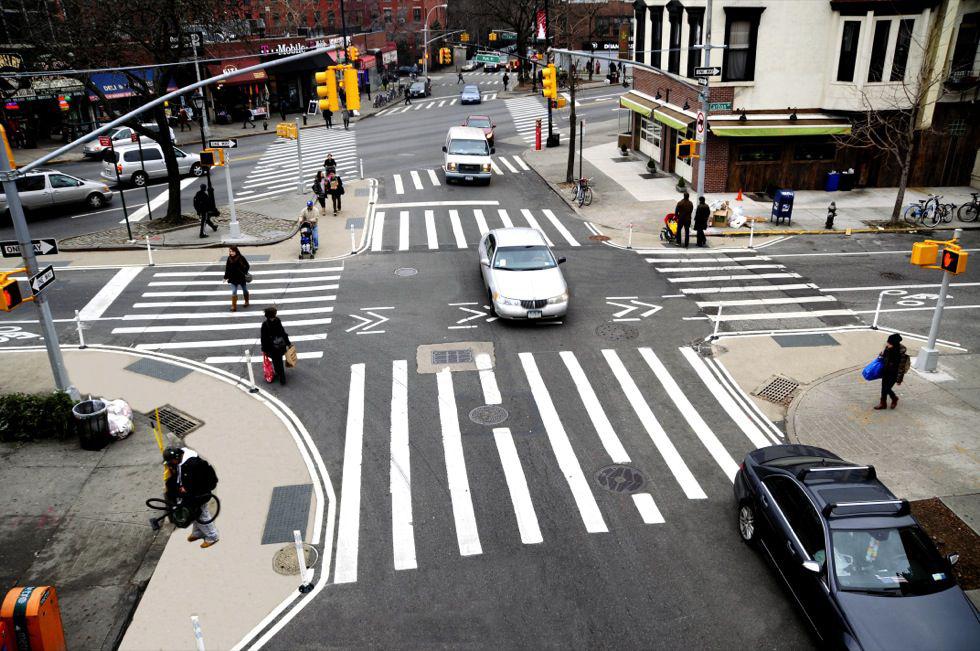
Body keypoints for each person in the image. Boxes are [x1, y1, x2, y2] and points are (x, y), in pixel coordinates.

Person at [163, 446, 219, 548]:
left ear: (177, 457)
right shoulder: (181, 461)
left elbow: (200, 483)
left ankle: (212, 536)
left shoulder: (194, 464)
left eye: (172, 461)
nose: (171, 464)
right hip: (191, 495)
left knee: (202, 515)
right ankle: (198, 533)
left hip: (199, 496)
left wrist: (186, 489)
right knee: (195, 514)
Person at [875, 333, 910, 410]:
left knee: (887, 388)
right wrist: (881, 355)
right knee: (883, 387)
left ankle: (894, 398)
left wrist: (899, 380)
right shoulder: (887, 349)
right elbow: (882, 357)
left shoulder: (901, 354)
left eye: (889, 343)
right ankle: (883, 403)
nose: (887, 344)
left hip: (894, 374)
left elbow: (901, 368)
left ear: (894, 344)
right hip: (885, 371)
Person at [261, 306, 291, 386]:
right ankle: (281, 375)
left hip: (272, 348)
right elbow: (283, 333)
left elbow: (263, 338)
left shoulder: (265, 324)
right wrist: (288, 343)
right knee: (279, 361)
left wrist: (264, 349)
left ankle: (281, 377)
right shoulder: (278, 321)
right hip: (280, 345)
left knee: (277, 362)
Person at [223, 245, 250, 312]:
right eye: (230, 251)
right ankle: (234, 306)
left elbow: (247, 266)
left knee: (245, 290)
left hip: (241, 278)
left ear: (236, 251)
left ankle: (246, 301)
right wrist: (225, 277)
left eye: (232, 251)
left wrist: (244, 271)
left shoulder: (241, 257)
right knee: (234, 291)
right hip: (233, 278)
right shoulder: (229, 258)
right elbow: (227, 268)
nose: (231, 253)